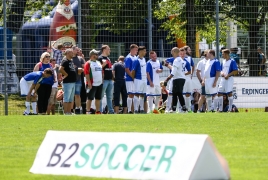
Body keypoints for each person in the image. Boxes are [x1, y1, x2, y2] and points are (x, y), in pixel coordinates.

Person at [164, 47, 189, 113]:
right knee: (176, 93)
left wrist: (167, 79)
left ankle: (183, 109)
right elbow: (175, 69)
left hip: (178, 78)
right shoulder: (180, 60)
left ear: (175, 52)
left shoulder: (176, 60)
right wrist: (168, 65)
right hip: (181, 78)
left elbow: (173, 71)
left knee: (178, 93)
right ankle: (175, 109)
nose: (171, 53)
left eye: (172, 51)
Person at [84, 49, 103, 114]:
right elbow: (86, 73)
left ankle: (97, 111)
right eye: (96, 54)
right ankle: (88, 111)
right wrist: (89, 82)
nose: (97, 55)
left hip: (99, 83)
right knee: (90, 98)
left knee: (98, 98)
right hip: (92, 84)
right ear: (92, 55)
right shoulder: (88, 63)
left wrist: (102, 80)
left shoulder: (99, 62)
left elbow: (101, 72)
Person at [59, 48, 77, 115]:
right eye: (71, 52)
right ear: (68, 53)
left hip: (72, 82)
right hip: (67, 82)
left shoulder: (71, 61)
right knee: (66, 98)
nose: (73, 53)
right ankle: (66, 112)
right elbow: (60, 69)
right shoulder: (65, 61)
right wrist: (66, 74)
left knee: (71, 99)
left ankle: (69, 112)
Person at [131, 46, 147, 114]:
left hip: (144, 79)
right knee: (137, 94)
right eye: (144, 51)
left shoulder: (144, 59)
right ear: (140, 52)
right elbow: (133, 71)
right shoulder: (136, 60)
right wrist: (134, 79)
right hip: (138, 79)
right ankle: (136, 109)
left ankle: (142, 109)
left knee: (142, 94)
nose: (145, 52)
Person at [99, 45, 114, 114]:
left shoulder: (108, 58)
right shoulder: (100, 58)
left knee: (109, 96)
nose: (109, 51)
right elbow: (97, 69)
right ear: (104, 50)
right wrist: (103, 65)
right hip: (103, 80)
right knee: (101, 96)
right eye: (108, 49)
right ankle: (100, 111)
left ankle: (111, 111)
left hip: (110, 80)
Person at [125, 44, 138, 113]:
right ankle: (129, 110)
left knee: (135, 94)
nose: (137, 51)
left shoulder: (135, 57)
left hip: (135, 79)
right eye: (136, 50)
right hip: (129, 79)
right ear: (132, 50)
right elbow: (127, 69)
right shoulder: (128, 58)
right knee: (130, 94)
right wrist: (132, 77)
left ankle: (135, 109)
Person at [72, 46, 85, 114]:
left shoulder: (80, 59)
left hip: (78, 79)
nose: (78, 51)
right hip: (70, 80)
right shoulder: (69, 58)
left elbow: (85, 67)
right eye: (76, 50)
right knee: (70, 96)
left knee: (77, 95)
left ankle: (77, 109)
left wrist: (81, 70)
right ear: (73, 50)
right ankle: (70, 109)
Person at [183, 45, 195, 112]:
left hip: (188, 77)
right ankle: (183, 108)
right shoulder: (180, 58)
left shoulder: (190, 58)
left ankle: (189, 108)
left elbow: (193, 66)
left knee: (188, 93)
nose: (190, 51)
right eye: (189, 50)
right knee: (183, 93)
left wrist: (191, 74)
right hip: (182, 77)